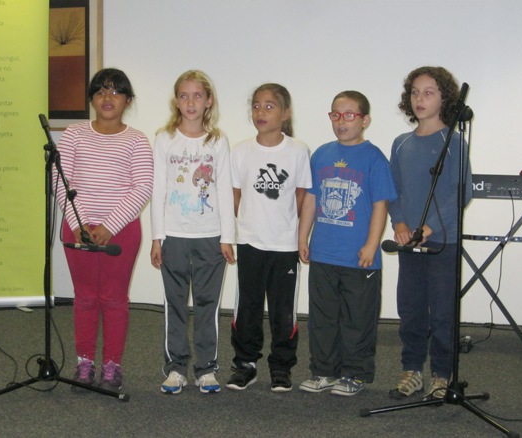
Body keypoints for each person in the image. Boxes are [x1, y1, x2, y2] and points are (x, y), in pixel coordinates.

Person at [54, 68, 154, 392]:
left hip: (121, 231)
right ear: (91, 99)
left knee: (113, 299)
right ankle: (84, 363)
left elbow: (142, 187)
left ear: (128, 100)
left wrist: (110, 225)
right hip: (77, 228)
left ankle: (112, 365)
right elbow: (61, 180)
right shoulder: (74, 134)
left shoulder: (137, 140)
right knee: (84, 297)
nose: (107, 98)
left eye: (115, 91)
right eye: (99, 91)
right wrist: (80, 223)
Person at [298, 91, 397, 396]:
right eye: (336, 115)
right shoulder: (321, 154)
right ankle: (324, 370)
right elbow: (312, 199)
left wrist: (372, 245)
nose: (342, 121)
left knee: (357, 319)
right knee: (322, 318)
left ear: (365, 120)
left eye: (350, 115)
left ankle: (355, 373)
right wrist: (302, 236)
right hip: (324, 253)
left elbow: (381, 204)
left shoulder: (374, 158)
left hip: (359, 257)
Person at [387, 66, 472, 401]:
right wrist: (399, 224)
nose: (419, 99)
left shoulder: (454, 141)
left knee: (441, 312)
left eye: (429, 92)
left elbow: (461, 193)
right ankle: (411, 370)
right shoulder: (401, 143)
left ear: (444, 98)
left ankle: (441, 374)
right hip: (409, 241)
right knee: (410, 308)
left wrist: (429, 227)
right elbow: (393, 191)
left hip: (441, 241)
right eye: (415, 92)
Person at [150, 70, 236, 395]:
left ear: (208, 101)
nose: (190, 102)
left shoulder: (217, 141)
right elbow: (158, 189)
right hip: (173, 236)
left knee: (206, 304)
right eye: (184, 96)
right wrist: (157, 237)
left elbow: (224, 190)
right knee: (174, 303)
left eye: (197, 96)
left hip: (210, 236)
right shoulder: (164, 138)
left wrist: (227, 237)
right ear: (176, 101)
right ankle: (175, 368)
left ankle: (206, 368)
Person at [227, 83, 312, 393]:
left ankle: (281, 366)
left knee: (282, 309)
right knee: (247, 307)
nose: (261, 112)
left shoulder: (298, 150)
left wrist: (293, 231)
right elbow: (235, 195)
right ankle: (245, 364)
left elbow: (301, 195)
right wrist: (246, 226)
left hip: (284, 244)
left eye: (269, 106)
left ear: (285, 113)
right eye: (256, 106)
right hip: (250, 242)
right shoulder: (240, 150)